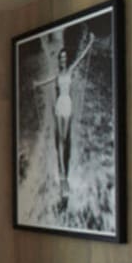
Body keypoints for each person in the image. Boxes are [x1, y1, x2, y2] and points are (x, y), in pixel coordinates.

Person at [34, 30, 95, 193]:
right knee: (61, 139)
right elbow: (46, 81)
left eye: (64, 58)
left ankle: (64, 173)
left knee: (66, 139)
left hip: (67, 104)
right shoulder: (58, 73)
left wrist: (90, 43)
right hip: (60, 104)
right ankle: (62, 176)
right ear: (59, 60)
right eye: (61, 58)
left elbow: (81, 58)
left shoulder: (70, 69)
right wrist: (37, 84)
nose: (63, 60)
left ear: (66, 59)